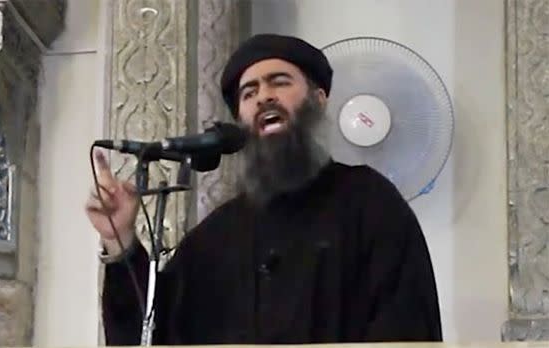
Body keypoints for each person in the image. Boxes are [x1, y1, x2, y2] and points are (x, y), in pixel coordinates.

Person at [85, 33, 443, 345]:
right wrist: (120, 240)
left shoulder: (370, 203)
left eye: (280, 82)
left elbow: (407, 330)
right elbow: (147, 335)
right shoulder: (215, 237)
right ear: (240, 120)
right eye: (249, 92)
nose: (263, 97)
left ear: (318, 100)